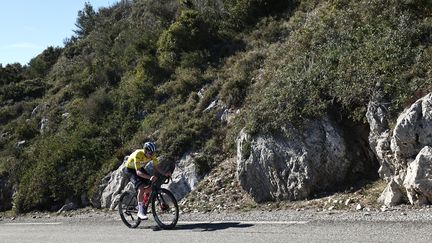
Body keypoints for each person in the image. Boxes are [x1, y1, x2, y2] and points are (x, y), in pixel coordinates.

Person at [123, 142, 171, 220]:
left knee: (150, 187)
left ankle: (141, 204)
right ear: (145, 151)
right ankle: (140, 211)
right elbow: (138, 172)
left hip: (139, 168)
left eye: (153, 153)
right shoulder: (138, 154)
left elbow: (157, 166)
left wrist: (165, 173)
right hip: (130, 170)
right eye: (150, 153)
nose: (152, 155)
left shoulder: (152, 155)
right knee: (141, 188)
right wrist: (149, 177)